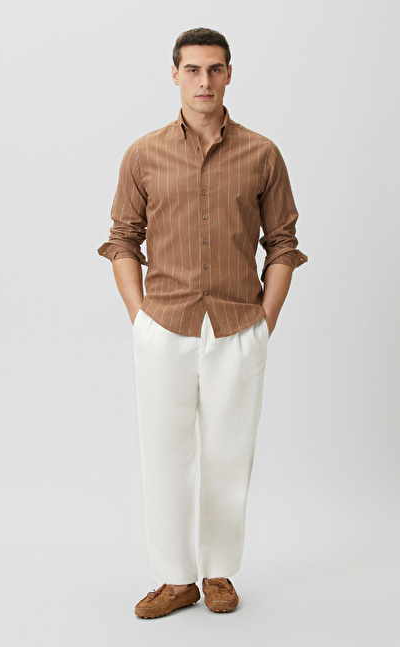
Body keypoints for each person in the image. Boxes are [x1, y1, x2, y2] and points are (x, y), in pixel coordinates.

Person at [97, 27, 307, 619]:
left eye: (214, 69)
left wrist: (265, 320)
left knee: (230, 453)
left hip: (238, 326)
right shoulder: (143, 154)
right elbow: (123, 239)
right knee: (163, 453)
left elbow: (283, 244)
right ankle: (174, 578)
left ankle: (217, 573)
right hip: (164, 325)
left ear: (230, 74)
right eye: (192, 69)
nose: (204, 81)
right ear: (175, 75)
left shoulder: (263, 154)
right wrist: (139, 316)